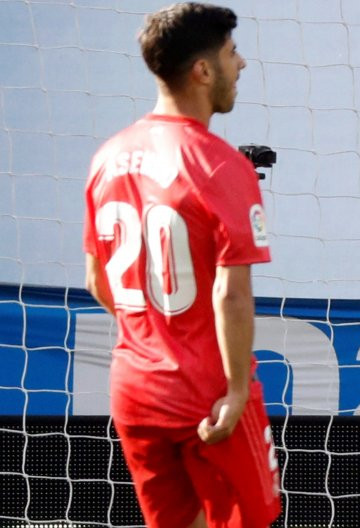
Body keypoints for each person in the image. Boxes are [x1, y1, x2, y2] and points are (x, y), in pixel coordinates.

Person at [82, 3, 280, 527]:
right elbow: (231, 293)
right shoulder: (220, 163)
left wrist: (157, 337)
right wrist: (236, 390)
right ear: (203, 71)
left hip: (136, 389)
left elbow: (96, 279)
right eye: (232, 53)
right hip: (208, 393)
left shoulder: (107, 157)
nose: (242, 63)